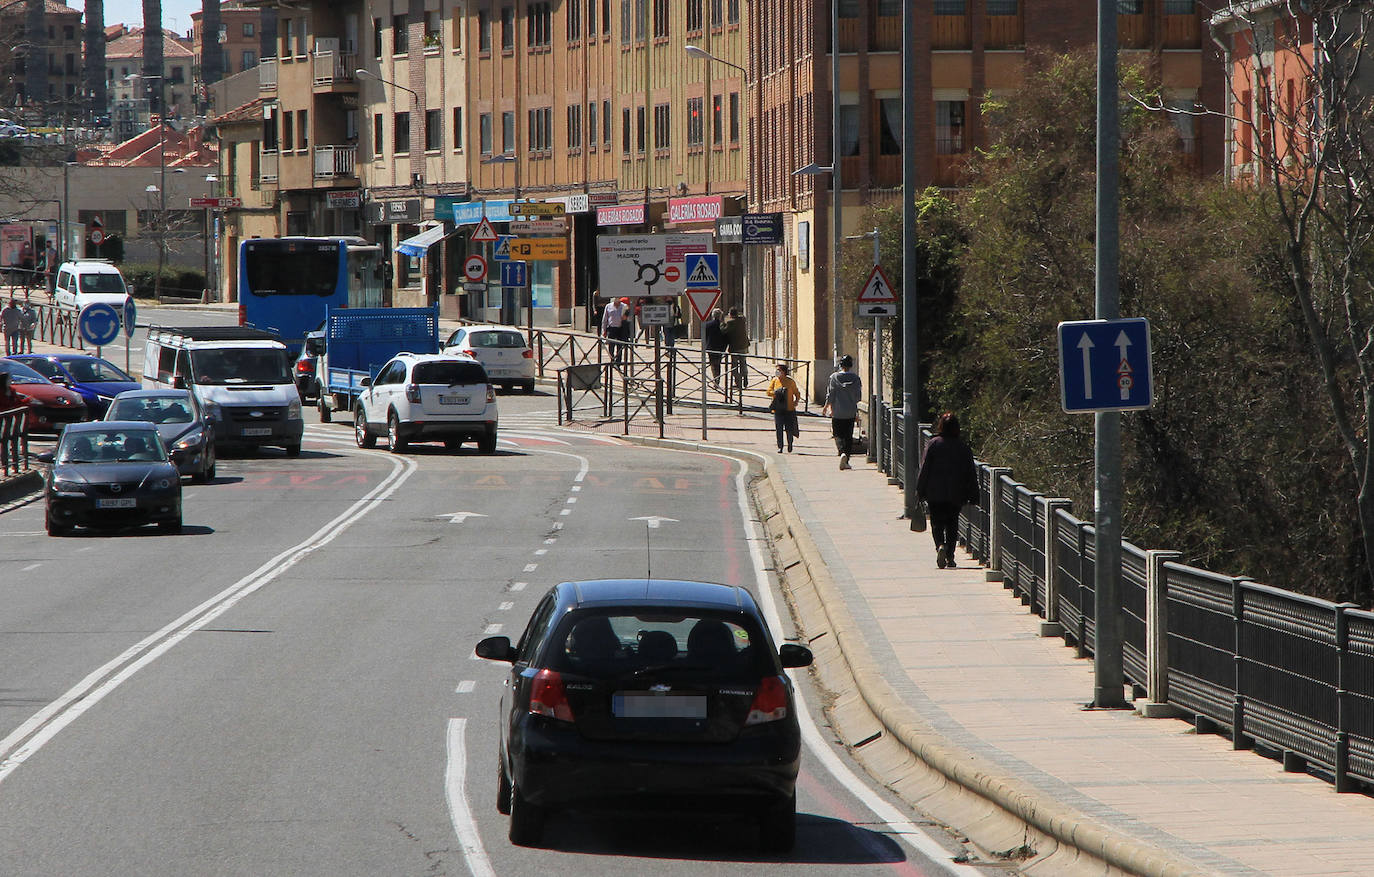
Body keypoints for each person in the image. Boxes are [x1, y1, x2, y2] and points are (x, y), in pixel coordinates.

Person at [915, 412, 980, 569]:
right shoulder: (963, 448)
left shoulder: (933, 444)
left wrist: (920, 490)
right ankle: (950, 556)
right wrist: (973, 494)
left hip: (934, 492)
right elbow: (970, 473)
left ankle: (940, 546)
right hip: (956, 493)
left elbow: (925, 469)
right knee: (952, 523)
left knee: (936, 523)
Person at [823, 354, 863, 470]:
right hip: (850, 411)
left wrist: (826, 407)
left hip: (837, 411)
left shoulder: (834, 378)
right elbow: (858, 397)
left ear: (840, 365)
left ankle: (842, 452)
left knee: (837, 434)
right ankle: (846, 457)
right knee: (848, 435)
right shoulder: (856, 379)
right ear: (851, 365)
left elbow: (830, 394)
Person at [765, 363, 801, 453]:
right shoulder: (774, 380)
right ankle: (780, 446)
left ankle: (790, 444)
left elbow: (797, 393)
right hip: (778, 409)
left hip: (789, 409)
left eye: (779, 370)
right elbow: (768, 392)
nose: (777, 372)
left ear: (784, 372)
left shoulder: (790, 381)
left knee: (789, 429)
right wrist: (777, 392)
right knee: (779, 429)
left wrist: (796, 401)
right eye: (777, 370)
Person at [722, 306, 750, 392]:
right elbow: (742, 317)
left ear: (730, 314)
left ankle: (738, 383)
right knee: (743, 363)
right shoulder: (742, 320)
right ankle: (745, 380)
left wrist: (723, 322)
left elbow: (723, 330)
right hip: (744, 346)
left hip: (735, 347)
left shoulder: (731, 323)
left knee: (734, 366)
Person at [702, 308, 726, 387]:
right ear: (720, 316)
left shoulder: (707, 325)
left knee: (712, 363)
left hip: (710, 347)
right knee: (718, 363)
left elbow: (704, 336)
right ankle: (717, 378)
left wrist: (704, 346)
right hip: (720, 347)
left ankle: (715, 379)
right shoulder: (722, 325)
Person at [601, 296, 627, 362]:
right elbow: (605, 319)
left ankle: (618, 360)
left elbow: (628, 318)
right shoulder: (608, 306)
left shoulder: (624, 306)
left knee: (620, 345)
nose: (617, 300)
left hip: (621, 328)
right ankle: (612, 359)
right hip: (611, 328)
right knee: (611, 345)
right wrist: (603, 330)